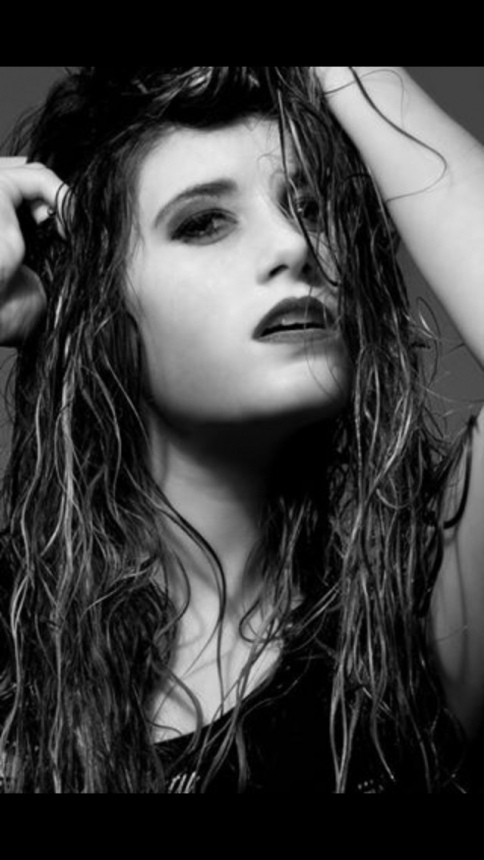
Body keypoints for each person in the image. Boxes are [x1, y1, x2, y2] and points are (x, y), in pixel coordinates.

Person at [0, 66, 482, 794]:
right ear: (92, 308)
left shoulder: (421, 608)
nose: (295, 244)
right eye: (203, 222)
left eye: (311, 206)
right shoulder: (14, 644)